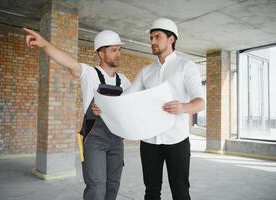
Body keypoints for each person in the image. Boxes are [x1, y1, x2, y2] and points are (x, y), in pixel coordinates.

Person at [93, 18, 204, 200]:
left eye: (157, 37)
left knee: (180, 191)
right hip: (149, 142)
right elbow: (126, 97)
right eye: (151, 37)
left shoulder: (186, 66)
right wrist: (104, 106)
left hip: (177, 140)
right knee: (151, 192)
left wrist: (183, 107)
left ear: (171, 39)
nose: (152, 42)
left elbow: (200, 101)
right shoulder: (146, 71)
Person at [23, 27, 131, 200]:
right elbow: (68, 61)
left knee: (112, 186)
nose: (118, 53)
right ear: (101, 54)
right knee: (96, 187)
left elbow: (132, 105)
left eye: (119, 49)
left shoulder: (124, 81)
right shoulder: (89, 74)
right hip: (94, 139)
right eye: (113, 50)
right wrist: (44, 44)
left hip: (117, 140)